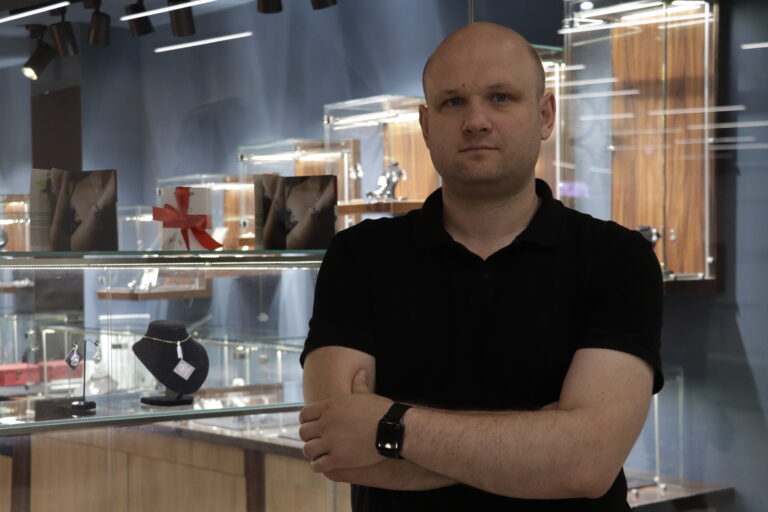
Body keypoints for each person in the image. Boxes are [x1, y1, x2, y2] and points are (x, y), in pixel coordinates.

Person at [299, 22, 663, 511]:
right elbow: (337, 448)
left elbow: (585, 463)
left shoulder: (618, 257)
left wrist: (387, 427)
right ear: (426, 125)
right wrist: (542, 444)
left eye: (500, 98)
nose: (476, 121)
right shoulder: (358, 256)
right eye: (453, 102)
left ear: (545, 114)